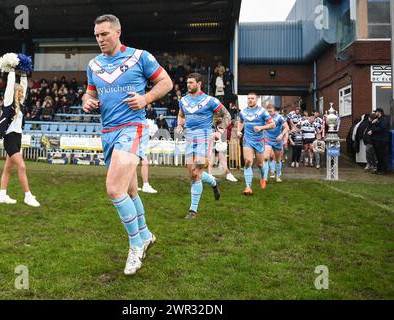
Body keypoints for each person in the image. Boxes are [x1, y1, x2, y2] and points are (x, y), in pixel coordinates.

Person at [82, 14, 173, 275]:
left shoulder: (140, 56)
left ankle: (135, 246)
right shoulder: (94, 64)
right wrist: (88, 100)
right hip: (108, 132)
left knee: (113, 188)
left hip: (132, 128)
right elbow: (89, 91)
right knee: (130, 190)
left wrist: (145, 98)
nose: (100, 39)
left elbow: (165, 82)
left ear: (118, 32)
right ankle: (146, 235)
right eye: (97, 35)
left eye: (105, 34)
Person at [176, 72, 231, 218]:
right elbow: (181, 115)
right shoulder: (184, 100)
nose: (188, 85)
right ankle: (213, 182)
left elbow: (227, 116)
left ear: (199, 84)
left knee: (197, 171)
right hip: (189, 138)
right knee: (193, 174)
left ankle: (193, 210)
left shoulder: (210, 101)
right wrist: (180, 125)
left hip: (205, 137)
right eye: (187, 82)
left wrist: (219, 131)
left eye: (191, 82)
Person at [0, 70, 40, 207]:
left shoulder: (20, 105)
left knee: (8, 168)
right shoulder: (8, 103)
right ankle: (28, 195)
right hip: (9, 138)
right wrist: (12, 71)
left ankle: (2, 195)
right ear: (13, 92)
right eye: (19, 92)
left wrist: (24, 75)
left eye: (22, 92)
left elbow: (24, 87)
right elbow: (10, 86)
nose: (22, 94)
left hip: (18, 137)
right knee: (21, 166)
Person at [237, 93, 275, 195]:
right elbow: (240, 121)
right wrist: (238, 130)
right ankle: (248, 187)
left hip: (259, 141)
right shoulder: (243, 111)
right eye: (248, 98)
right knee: (248, 161)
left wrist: (261, 128)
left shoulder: (262, 112)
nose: (250, 100)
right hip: (247, 140)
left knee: (260, 164)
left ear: (256, 100)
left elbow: (273, 124)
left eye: (252, 98)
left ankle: (262, 178)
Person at [264, 105, 289, 182]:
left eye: (270, 111)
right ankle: (265, 177)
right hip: (268, 140)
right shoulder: (264, 117)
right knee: (265, 158)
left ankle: (278, 176)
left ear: (274, 111)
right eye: (268, 112)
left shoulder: (279, 117)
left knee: (278, 160)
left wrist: (282, 136)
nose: (269, 113)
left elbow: (287, 128)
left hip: (277, 141)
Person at [367, 108, 390, 175]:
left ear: (379, 112)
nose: (375, 113)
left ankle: (384, 170)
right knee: (378, 156)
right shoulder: (377, 119)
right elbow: (373, 127)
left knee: (382, 155)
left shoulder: (385, 119)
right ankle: (379, 169)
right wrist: (372, 123)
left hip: (382, 140)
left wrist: (373, 128)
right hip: (376, 140)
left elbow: (383, 127)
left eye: (376, 112)